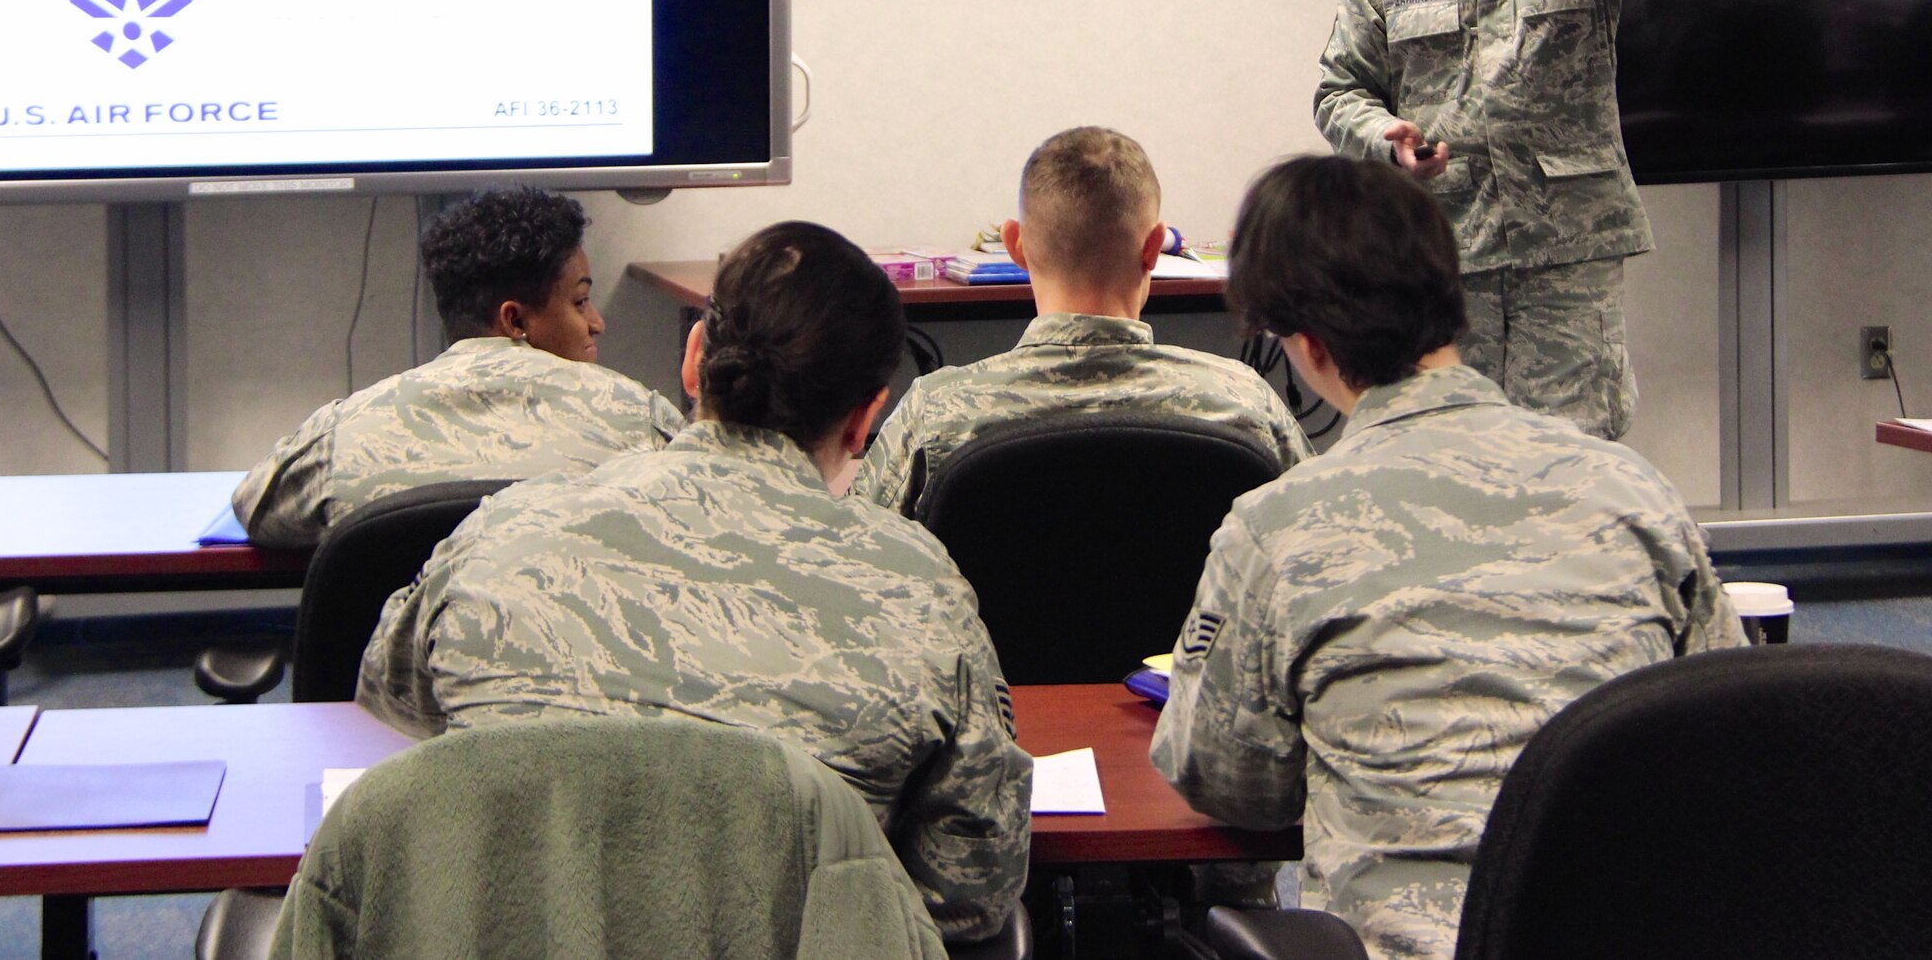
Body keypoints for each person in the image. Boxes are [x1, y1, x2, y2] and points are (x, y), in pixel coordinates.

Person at [357, 220, 1032, 944]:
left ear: (693, 361)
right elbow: (970, 890)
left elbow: (395, 702)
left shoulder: (503, 531)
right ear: (867, 417)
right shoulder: (918, 586)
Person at [1151, 155, 1743, 960]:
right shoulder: (1633, 490)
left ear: (1309, 342)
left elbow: (1226, 782)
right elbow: (1727, 725)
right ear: (1448, 294)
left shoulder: (1278, 527)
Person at [1314, 0, 1841, 440]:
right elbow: (1340, 90)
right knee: (1445, 453)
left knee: (1572, 456)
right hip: (1441, 260)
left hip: (1565, 264)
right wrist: (1382, 138)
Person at [855, 126, 1311, 515]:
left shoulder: (934, 416)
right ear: (1154, 247)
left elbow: (861, 560)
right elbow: (1318, 548)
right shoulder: (1244, 404)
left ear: (1015, 245)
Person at [233, 187, 684, 547]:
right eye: (581, 301)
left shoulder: (345, 432)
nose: (596, 323)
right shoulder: (640, 419)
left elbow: (257, 509)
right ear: (515, 320)